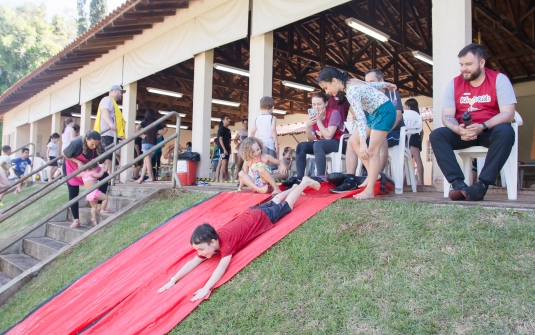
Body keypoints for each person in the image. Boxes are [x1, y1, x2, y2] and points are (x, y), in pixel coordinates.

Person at [156, 176, 321, 301]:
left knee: (286, 206)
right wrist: (174, 280)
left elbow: (220, 269)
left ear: (212, 242)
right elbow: (192, 262)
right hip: (250, 213)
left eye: (200, 249)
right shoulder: (212, 239)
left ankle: (304, 183)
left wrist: (206, 288)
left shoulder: (226, 245)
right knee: (274, 200)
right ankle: (293, 187)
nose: (199, 253)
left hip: (260, 218)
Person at [430, 43, 516, 201]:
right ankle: (458, 184)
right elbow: (446, 116)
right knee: (437, 135)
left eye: (468, 64)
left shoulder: (499, 80)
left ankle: (481, 185)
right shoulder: (454, 84)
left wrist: (483, 126)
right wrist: (459, 130)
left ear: (482, 63)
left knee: (506, 131)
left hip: (488, 130)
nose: (463, 68)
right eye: (461, 64)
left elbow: (508, 113)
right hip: (463, 132)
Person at [318, 66, 397, 200]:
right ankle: (374, 175)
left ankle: (370, 191)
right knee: (352, 141)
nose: (327, 92)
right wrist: (386, 84)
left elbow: (360, 118)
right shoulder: (350, 82)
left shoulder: (351, 91)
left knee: (372, 150)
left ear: (334, 80)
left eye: (326, 88)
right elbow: (368, 84)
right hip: (374, 113)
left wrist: (363, 143)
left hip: (384, 112)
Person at [294, 92, 347, 181]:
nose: (316, 107)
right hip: (321, 145)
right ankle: (299, 178)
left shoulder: (334, 113)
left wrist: (318, 121)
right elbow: (311, 139)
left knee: (318, 144)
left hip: (339, 143)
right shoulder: (313, 117)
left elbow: (329, 136)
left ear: (326, 103)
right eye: (314, 104)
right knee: (301, 146)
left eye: (319, 104)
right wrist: (307, 127)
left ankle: (321, 177)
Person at [63, 130, 111, 228]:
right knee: (73, 192)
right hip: (72, 166)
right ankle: (76, 219)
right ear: (86, 140)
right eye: (91, 144)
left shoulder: (99, 146)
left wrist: (105, 165)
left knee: (105, 176)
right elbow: (64, 154)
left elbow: (103, 158)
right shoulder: (76, 143)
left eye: (95, 145)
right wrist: (77, 162)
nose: (94, 147)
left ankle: (99, 205)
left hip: (88, 168)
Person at [94, 84, 127, 174]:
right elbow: (105, 111)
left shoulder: (112, 102)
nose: (121, 95)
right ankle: (105, 177)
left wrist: (120, 136)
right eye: (120, 92)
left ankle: (108, 177)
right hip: (106, 134)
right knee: (106, 158)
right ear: (115, 90)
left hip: (110, 135)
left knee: (109, 158)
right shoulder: (107, 100)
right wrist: (111, 124)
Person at [135, 109, 165, 184]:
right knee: (146, 161)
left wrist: (141, 134)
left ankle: (151, 177)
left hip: (145, 142)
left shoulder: (145, 121)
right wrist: (159, 135)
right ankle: (141, 178)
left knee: (147, 160)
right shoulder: (156, 123)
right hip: (153, 144)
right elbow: (165, 129)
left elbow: (137, 127)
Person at [250, 97, 278, 169]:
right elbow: (273, 130)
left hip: (260, 145)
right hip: (269, 144)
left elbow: (252, 131)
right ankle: (269, 178)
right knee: (270, 165)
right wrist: (276, 143)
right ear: (273, 107)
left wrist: (250, 142)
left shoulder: (257, 118)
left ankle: (262, 179)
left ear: (260, 108)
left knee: (261, 165)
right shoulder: (272, 118)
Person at [404, 98, 424, 185]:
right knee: (414, 159)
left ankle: (421, 181)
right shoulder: (417, 116)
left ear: (408, 106)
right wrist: (420, 141)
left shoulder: (407, 116)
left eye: (405, 106)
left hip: (410, 138)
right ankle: (418, 180)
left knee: (415, 159)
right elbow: (422, 131)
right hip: (416, 137)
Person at [215, 115, 231, 182]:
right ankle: (226, 177)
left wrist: (229, 148)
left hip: (227, 148)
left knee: (225, 163)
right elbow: (220, 139)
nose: (229, 120)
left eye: (229, 119)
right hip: (222, 149)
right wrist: (224, 149)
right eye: (227, 119)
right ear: (223, 121)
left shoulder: (228, 130)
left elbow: (229, 140)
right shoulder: (221, 129)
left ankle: (222, 178)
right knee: (223, 163)